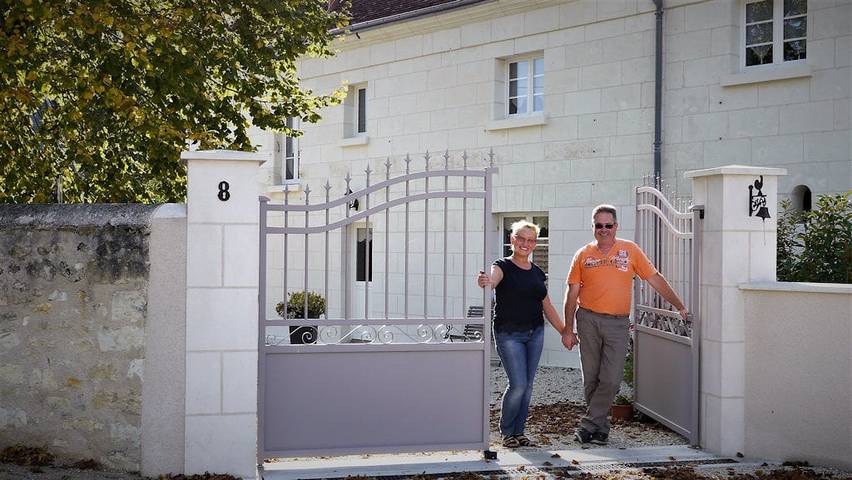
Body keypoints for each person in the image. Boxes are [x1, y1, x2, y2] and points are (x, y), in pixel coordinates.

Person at [561, 204, 688, 446]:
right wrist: (568, 329)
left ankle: (588, 424)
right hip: (587, 319)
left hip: (617, 324)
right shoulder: (583, 254)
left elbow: (654, 278)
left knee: (611, 378)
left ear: (616, 226)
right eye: (599, 225)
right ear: (593, 227)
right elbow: (572, 292)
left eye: (608, 225)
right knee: (591, 378)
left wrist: (679, 304)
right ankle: (600, 430)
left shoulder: (630, 250)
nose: (604, 229)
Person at [477, 220, 566, 448]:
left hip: (534, 333)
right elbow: (493, 279)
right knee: (518, 384)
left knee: (528, 385)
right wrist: (486, 281)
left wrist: (565, 331)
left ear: (535, 244)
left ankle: (519, 431)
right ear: (512, 240)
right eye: (521, 238)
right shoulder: (502, 265)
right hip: (509, 334)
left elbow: (547, 306)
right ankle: (507, 431)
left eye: (530, 240)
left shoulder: (537, 273)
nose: (525, 243)